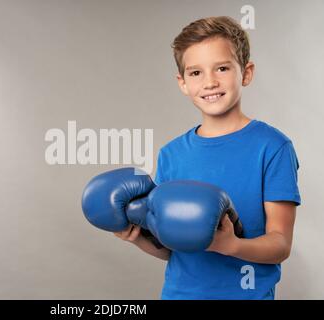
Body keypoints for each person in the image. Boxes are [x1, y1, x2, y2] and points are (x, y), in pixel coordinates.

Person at [114, 16, 301, 300]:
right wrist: (137, 237)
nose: (210, 82)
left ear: (246, 73)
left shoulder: (273, 147)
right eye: (196, 73)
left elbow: (280, 244)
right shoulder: (171, 154)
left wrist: (231, 245)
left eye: (222, 68)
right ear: (182, 83)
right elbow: (173, 249)